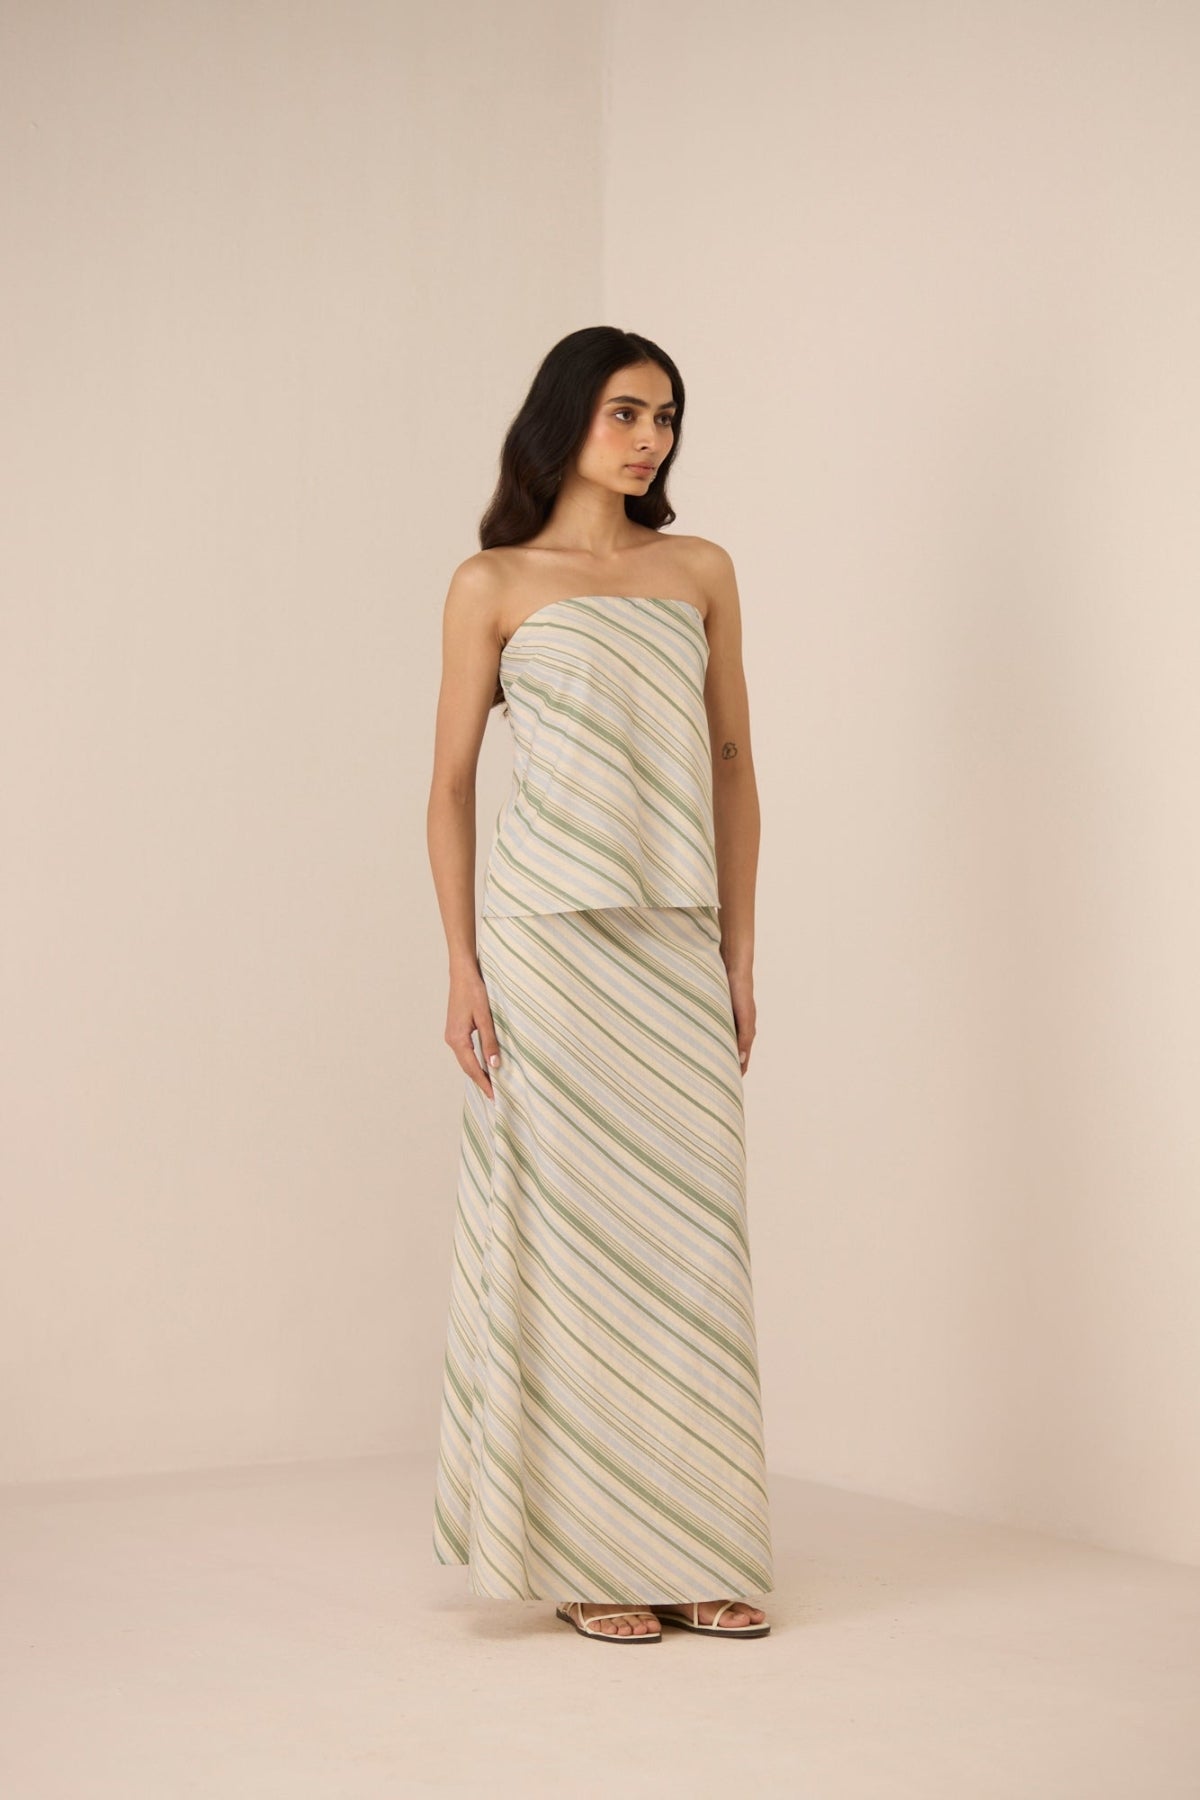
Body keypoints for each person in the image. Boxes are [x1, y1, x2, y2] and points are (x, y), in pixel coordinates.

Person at [426, 326, 774, 1643]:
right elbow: (450, 788)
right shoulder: (492, 583)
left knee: (690, 1245)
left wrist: (740, 949)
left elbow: (733, 764)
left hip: (673, 939)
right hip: (546, 949)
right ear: (566, 417)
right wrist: (462, 963)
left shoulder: (700, 570)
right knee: (569, 1246)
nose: (649, 440)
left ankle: (698, 1543)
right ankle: (589, 1552)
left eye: (666, 418)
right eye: (626, 412)